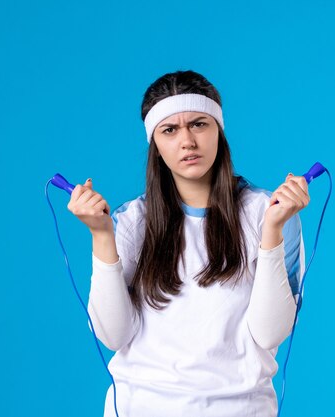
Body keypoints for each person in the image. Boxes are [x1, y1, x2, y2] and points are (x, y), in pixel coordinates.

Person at [66, 70, 309, 417]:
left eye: (198, 124)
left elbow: (270, 335)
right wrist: (102, 235)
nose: (187, 141)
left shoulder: (268, 213)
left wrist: (271, 232)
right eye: (170, 129)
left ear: (219, 131)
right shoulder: (131, 221)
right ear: (155, 145)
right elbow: (113, 336)